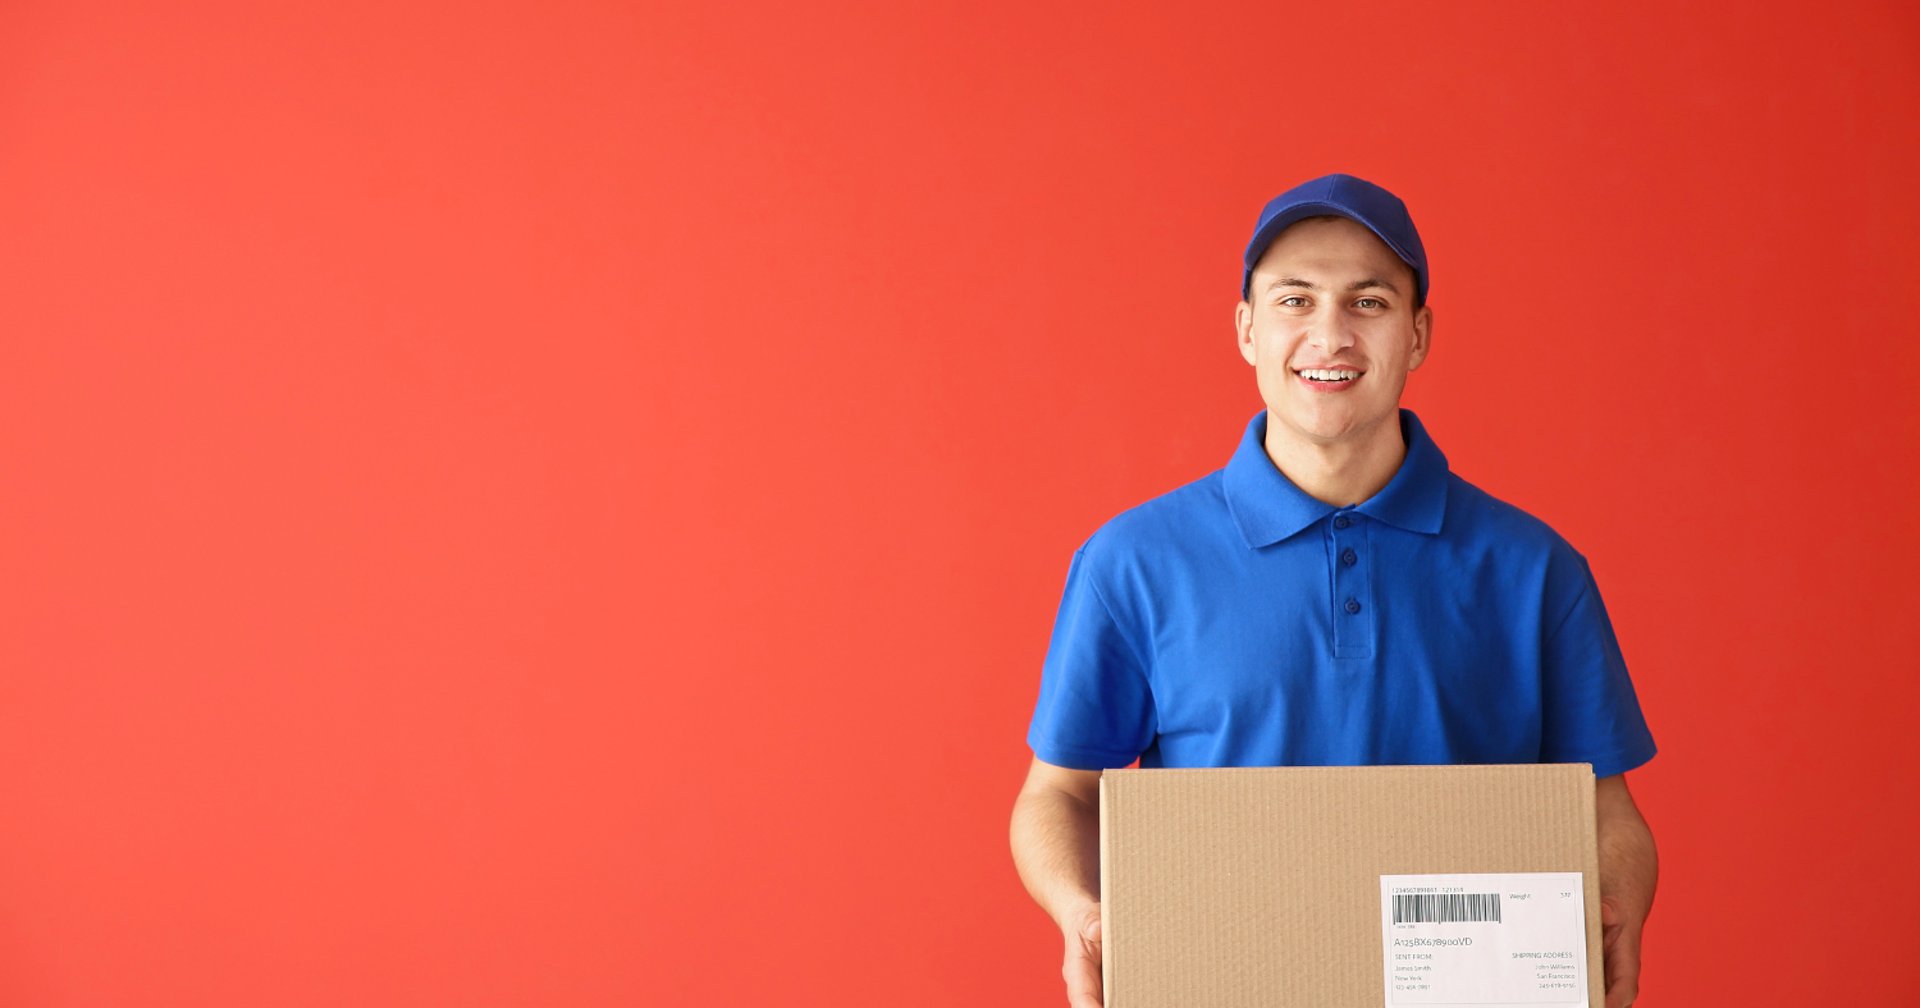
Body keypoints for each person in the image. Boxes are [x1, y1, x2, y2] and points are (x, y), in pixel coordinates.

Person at [1008, 174, 1657, 1008]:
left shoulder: (1534, 569)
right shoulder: (1134, 561)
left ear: (1417, 334)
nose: (1331, 335)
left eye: (1369, 303)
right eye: (1294, 300)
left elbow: (1606, 806)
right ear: (1246, 329)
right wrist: (1082, 912)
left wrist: (1615, 904)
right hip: (1224, 984)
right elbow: (1057, 792)